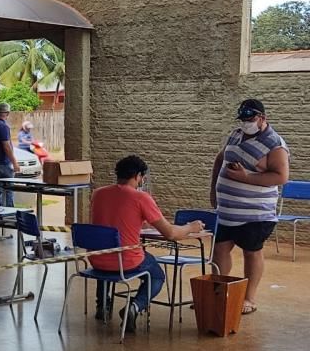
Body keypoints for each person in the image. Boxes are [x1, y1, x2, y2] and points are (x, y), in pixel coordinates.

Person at [90, 155, 204, 332]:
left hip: (97, 259)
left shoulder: (98, 194)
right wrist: (191, 227)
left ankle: (102, 306)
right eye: (142, 177)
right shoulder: (141, 198)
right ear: (137, 176)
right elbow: (171, 233)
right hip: (127, 260)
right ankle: (134, 307)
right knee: (157, 275)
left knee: (108, 253)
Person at [210, 99, 289, 315]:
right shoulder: (235, 134)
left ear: (262, 118)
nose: (246, 123)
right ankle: (218, 291)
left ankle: (249, 297)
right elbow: (220, 159)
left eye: (251, 119)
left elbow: (280, 177)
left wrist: (246, 178)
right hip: (227, 211)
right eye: (243, 120)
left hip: (255, 213)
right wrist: (213, 191)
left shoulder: (274, 144)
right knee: (219, 250)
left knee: (251, 252)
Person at [0, 103, 20, 206]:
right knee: (9, 191)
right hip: (4, 163)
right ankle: (10, 212)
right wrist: (15, 163)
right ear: (7, 113)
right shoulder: (3, 127)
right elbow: (6, 146)